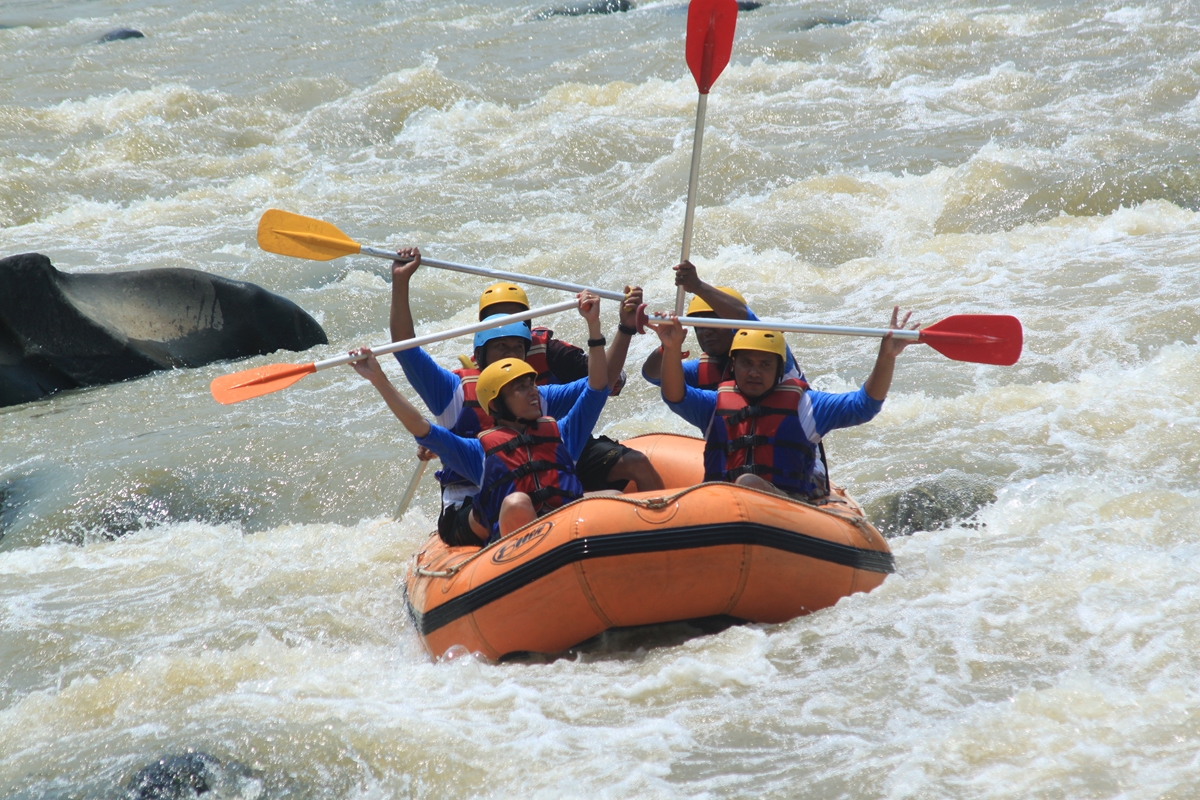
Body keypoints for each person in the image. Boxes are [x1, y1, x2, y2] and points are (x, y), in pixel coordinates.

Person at [388, 247, 662, 504]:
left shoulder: (541, 386)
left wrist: (619, 328)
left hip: (542, 472)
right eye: (501, 345)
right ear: (481, 351)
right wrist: (400, 282)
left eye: (517, 345)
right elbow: (406, 350)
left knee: (616, 484)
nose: (510, 353)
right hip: (479, 495)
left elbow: (599, 386)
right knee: (517, 503)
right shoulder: (453, 391)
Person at [349, 291, 611, 543]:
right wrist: (378, 379)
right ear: (496, 403)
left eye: (531, 384)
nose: (534, 392)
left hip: (554, 519)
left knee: (613, 497)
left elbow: (597, 388)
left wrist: (595, 325)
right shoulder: (478, 450)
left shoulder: (561, 432)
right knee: (518, 503)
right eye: (520, 388)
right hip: (500, 520)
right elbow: (420, 426)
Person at [648, 308, 916, 500]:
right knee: (739, 486)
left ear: (779, 370)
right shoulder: (713, 405)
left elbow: (864, 405)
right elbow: (675, 395)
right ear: (733, 366)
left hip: (790, 507)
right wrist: (671, 348)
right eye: (746, 363)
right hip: (723, 506)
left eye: (765, 365)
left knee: (748, 483)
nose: (754, 372)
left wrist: (887, 356)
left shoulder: (806, 406)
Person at [641, 261, 803, 391]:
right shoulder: (701, 370)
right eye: (699, 326)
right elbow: (654, 375)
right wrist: (666, 347)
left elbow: (743, 318)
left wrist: (697, 286)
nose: (706, 332)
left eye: (713, 323)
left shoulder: (772, 352)